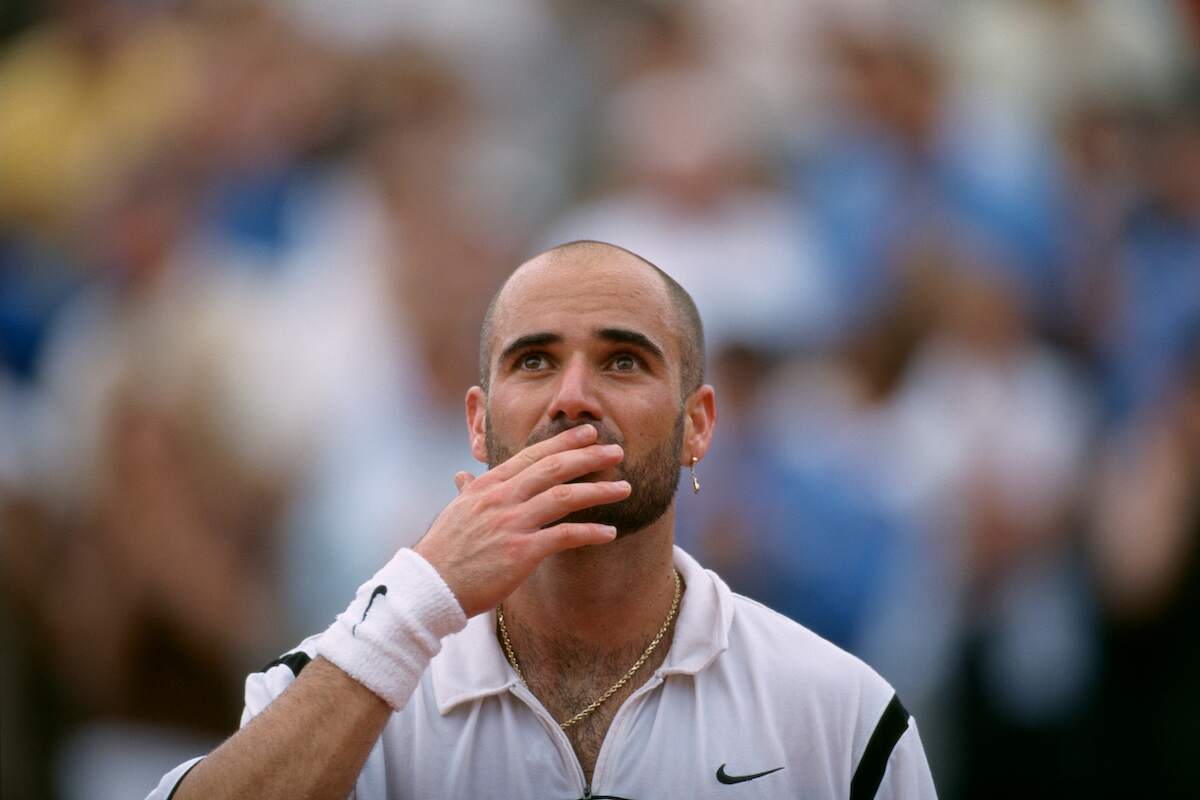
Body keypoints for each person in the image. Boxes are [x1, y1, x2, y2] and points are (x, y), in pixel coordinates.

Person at [146, 240, 937, 799]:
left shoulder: (843, 715)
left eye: (624, 360)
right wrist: (420, 595)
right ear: (478, 424)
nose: (573, 396)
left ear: (699, 425)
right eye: (534, 361)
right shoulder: (352, 682)